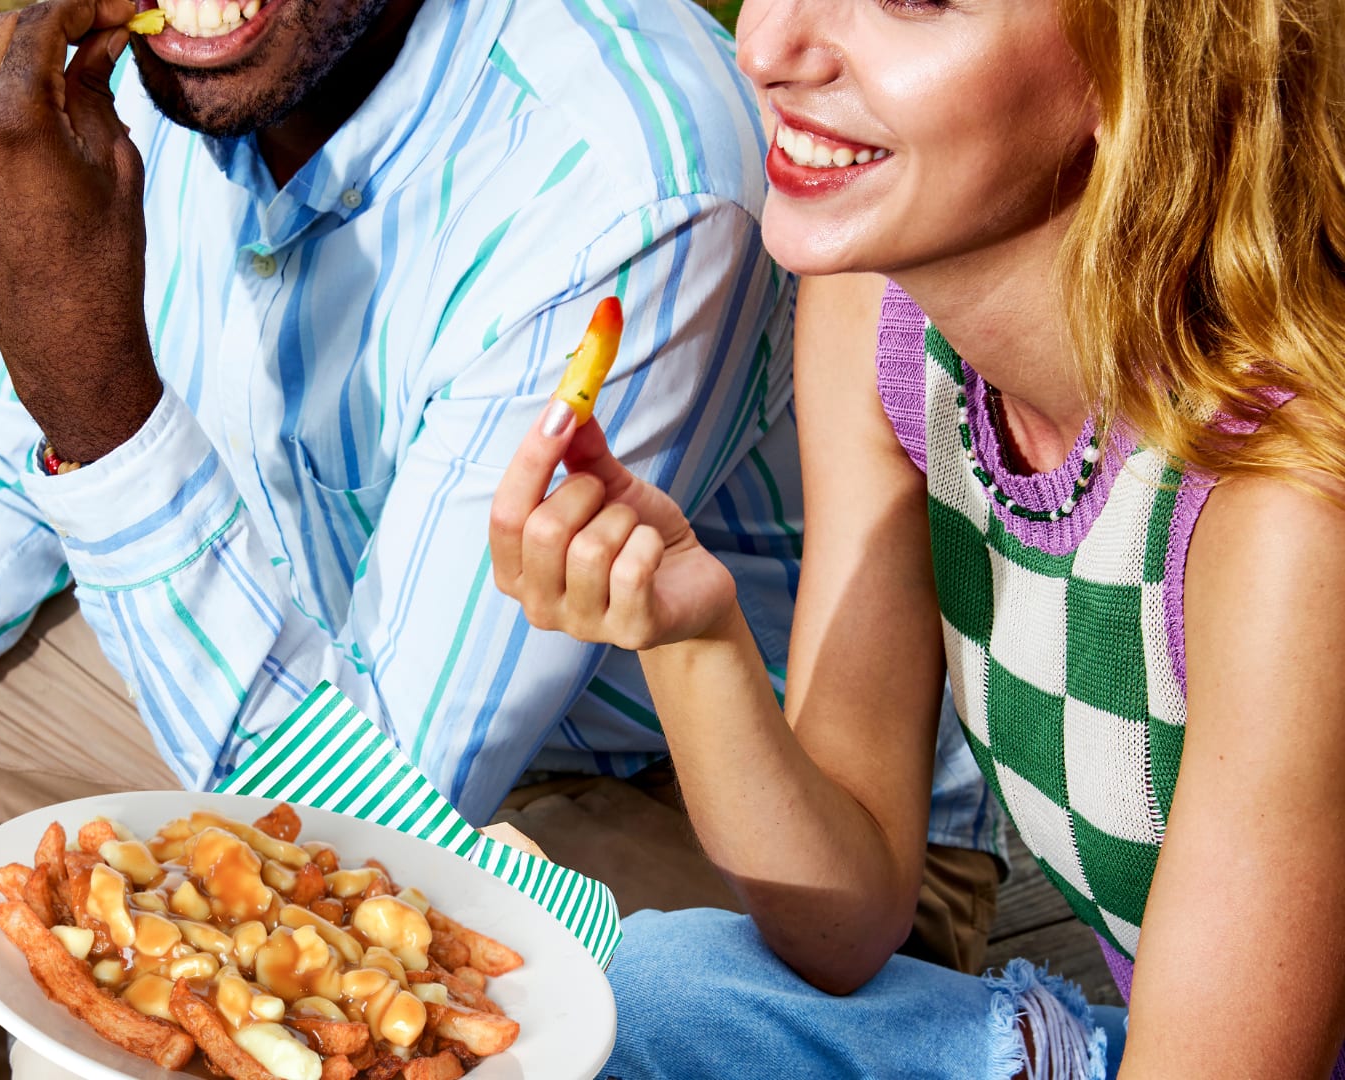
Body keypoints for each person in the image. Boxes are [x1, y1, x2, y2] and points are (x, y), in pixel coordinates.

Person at [0, 1, 1006, 1077]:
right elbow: (6, 450)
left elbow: (377, 821)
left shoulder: (619, 164)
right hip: (337, 696)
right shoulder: (194, 80)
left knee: (340, 995)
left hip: (756, 846)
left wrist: (100, 403)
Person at [491, 0, 1345, 1075]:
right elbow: (843, 924)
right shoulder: (882, 311)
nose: (763, 47)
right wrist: (685, 634)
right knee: (627, 995)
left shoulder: (1289, 510)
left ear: (1142, 65)